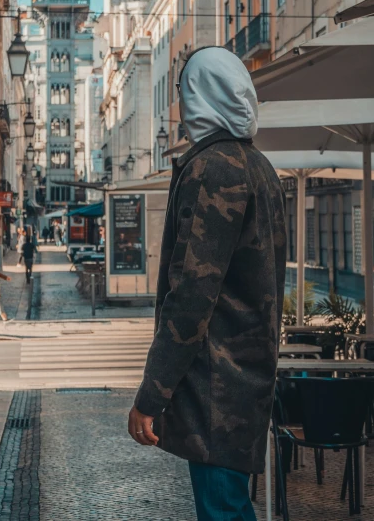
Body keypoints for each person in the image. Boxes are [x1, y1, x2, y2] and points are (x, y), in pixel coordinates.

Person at [128, 47, 286, 521]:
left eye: (181, 92)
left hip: (218, 385)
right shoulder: (260, 167)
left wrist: (151, 394)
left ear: (198, 96)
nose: (179, 106)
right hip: (247, 376)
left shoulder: (212, 169)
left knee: (224, 512)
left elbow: (193, 295)